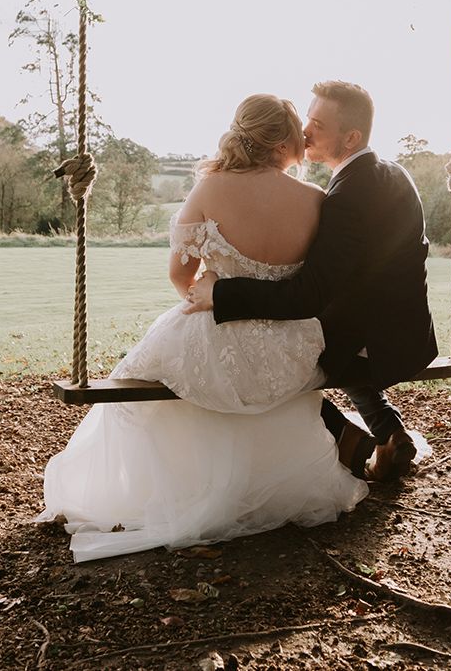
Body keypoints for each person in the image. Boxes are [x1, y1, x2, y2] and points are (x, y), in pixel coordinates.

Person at [37, 94, 368, 562]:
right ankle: (267, 488)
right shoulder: (316, 200)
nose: (306, 138)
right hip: (291, 346)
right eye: (299, 129)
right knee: (246, 381)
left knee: (155, 375)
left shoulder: (211, 189)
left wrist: (206, 291)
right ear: (279, 146)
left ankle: (192, 490)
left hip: (219, 330)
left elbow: (179, 274)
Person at [187, 80, 438, 483]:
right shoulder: (394, 174)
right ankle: (391, 432)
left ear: (351, 137)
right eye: (308, 118)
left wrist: (221, 292)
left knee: (268, 359)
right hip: (408, 334)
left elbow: (308, 296)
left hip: (373, 344)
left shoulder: (344, 198)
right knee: (313, 340)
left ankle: (348, 442)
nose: (304, 131)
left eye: (317, 124)